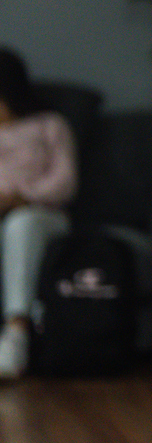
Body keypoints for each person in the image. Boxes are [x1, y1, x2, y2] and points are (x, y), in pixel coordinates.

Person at [0, 48, 77, 378]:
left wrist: (22, 198)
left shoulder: (49, 125)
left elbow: (65, 182)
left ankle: (16, 334)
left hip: (41, 216)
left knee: (21, 224)